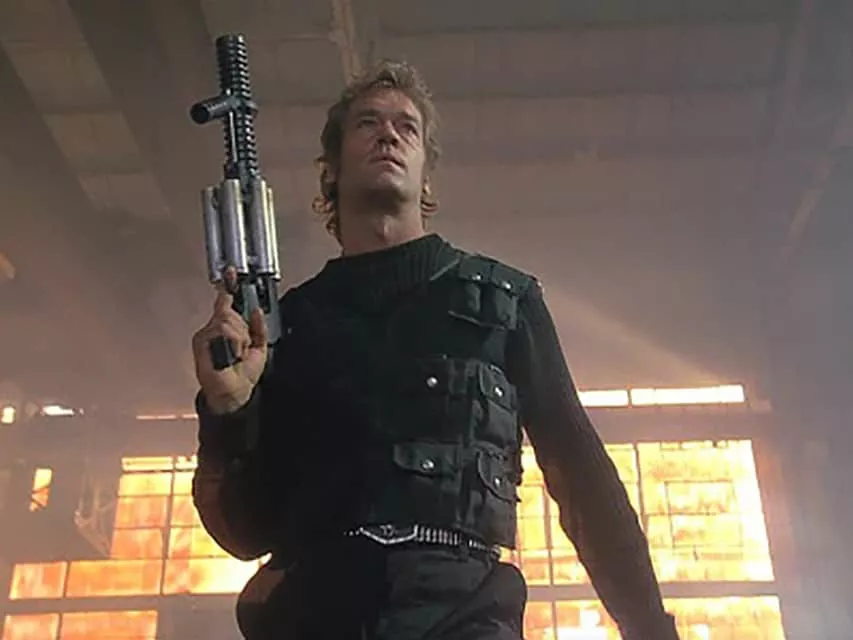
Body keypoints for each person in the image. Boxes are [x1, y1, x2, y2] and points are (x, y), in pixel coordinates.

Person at [190, 60, 680, 640]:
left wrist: (650, 627)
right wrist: (228, 411)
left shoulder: (506, 302)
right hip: (315, 613)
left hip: (463, 614)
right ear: (332, 171)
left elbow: (582, 477)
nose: (388, 134)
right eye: (367, 123)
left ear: (426, 178)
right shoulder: (288, 326)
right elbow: (246, 531)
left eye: (407, 127)